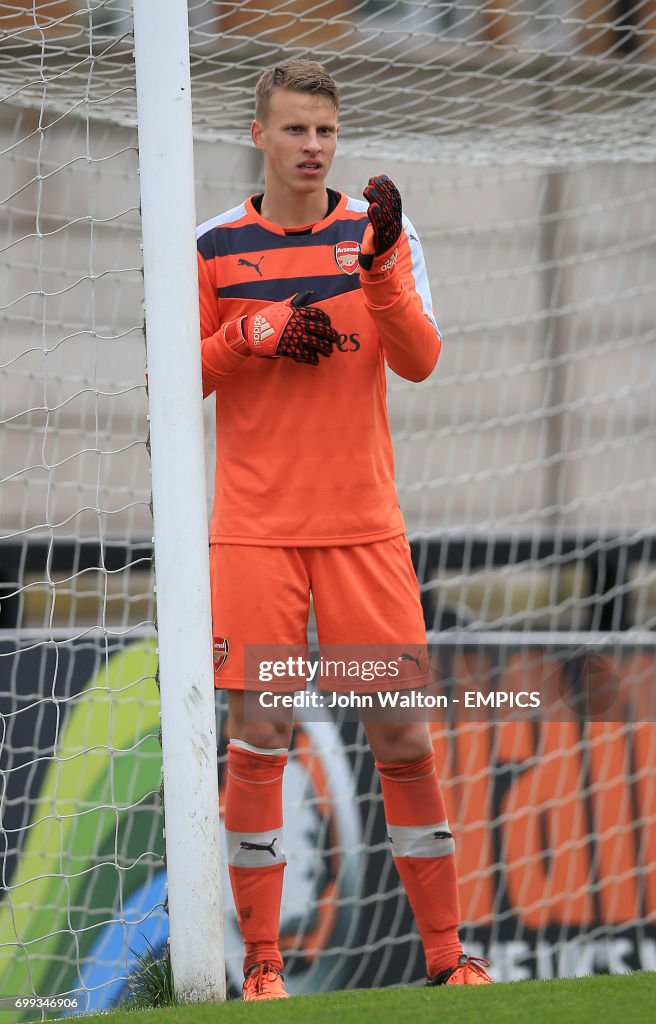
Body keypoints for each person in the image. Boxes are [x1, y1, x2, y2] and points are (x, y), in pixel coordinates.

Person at [196, 57, 492, 1001]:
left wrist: (381, 273)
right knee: (260, 733)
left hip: (365, 532)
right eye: (294, 130)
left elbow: (420, 361)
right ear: (260, 135)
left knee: (403, 735)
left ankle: (448, 959)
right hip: (257, 534)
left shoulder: (382, 234)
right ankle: (264, 967)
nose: (313, 147)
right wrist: (250, 335)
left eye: (325, 131)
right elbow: (169, 383)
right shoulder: (211, 245)